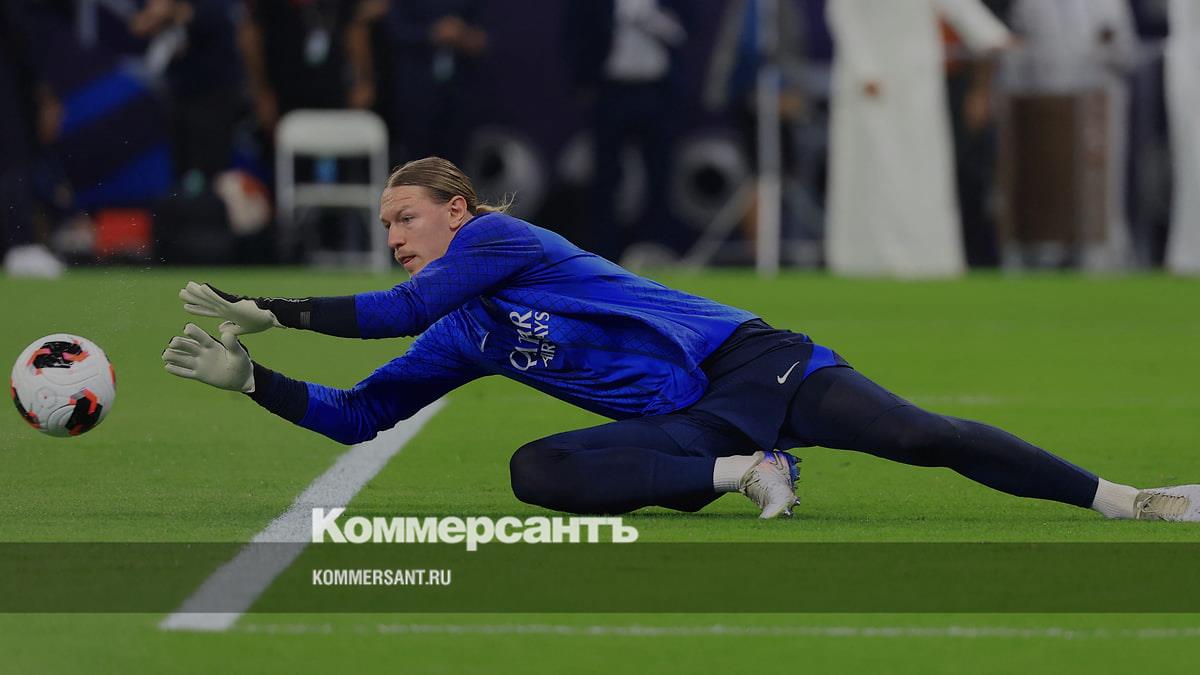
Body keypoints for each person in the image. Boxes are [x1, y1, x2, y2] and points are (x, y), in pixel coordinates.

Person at [162, 156, 1199, 521]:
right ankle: (748, 471)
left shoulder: (501, 242)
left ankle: (1132, 499)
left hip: (746, 359)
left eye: (407, 218)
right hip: (693, 424)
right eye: (385, 225)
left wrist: (278, 308)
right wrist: (254, 380)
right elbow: (357, 417)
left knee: (921, 436)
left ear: (459, 211)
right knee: (535, 471)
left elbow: (393, 313)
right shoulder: (464, 331)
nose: (394, 237)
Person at [825, 0, 1011, 278]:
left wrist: (992, 34)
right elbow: (843, 13)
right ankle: (866, 256)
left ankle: (926, 255)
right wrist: (865, 69)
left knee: (924, 170)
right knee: (875, 172)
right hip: (872, 85)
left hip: (917, 76)